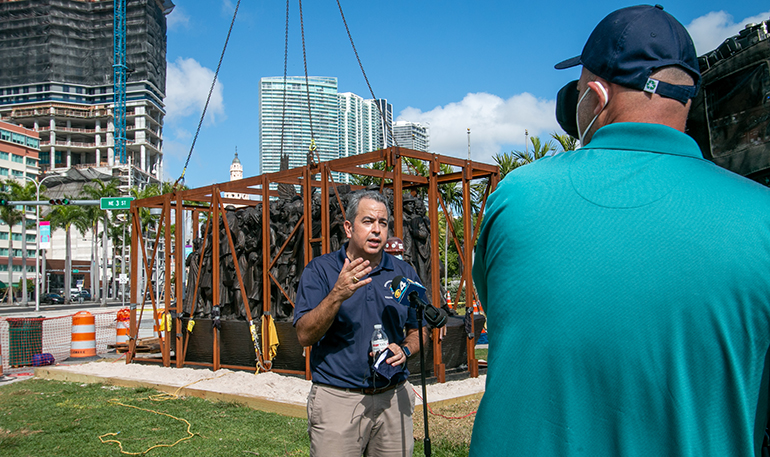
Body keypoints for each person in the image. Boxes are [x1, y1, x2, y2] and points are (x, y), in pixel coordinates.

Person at [470, 5, 770, 456]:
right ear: (687, 99)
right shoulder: (762, 214)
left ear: (594, 95)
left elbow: (505, 310)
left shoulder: (517, 197)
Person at [294, 190, 427, 457]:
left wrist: (406, 350)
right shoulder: (321, 271)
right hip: (338, 400)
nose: (377, 230)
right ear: (348, 227)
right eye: (368, 221)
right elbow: (304, 335)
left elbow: (419, 329)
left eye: (383, 223)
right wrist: (337, 294)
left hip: (393, 398)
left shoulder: (404, 273)